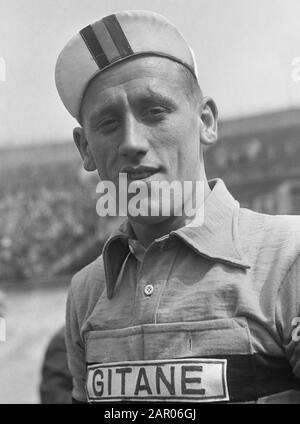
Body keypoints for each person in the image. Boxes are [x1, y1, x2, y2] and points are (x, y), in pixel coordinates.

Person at [55, 10, 300, 403]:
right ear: (85, 149)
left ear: (205, 121)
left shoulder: (289, 257)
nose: (132, 141)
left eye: (155, 111)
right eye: (108, 123)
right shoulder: (86, 291)